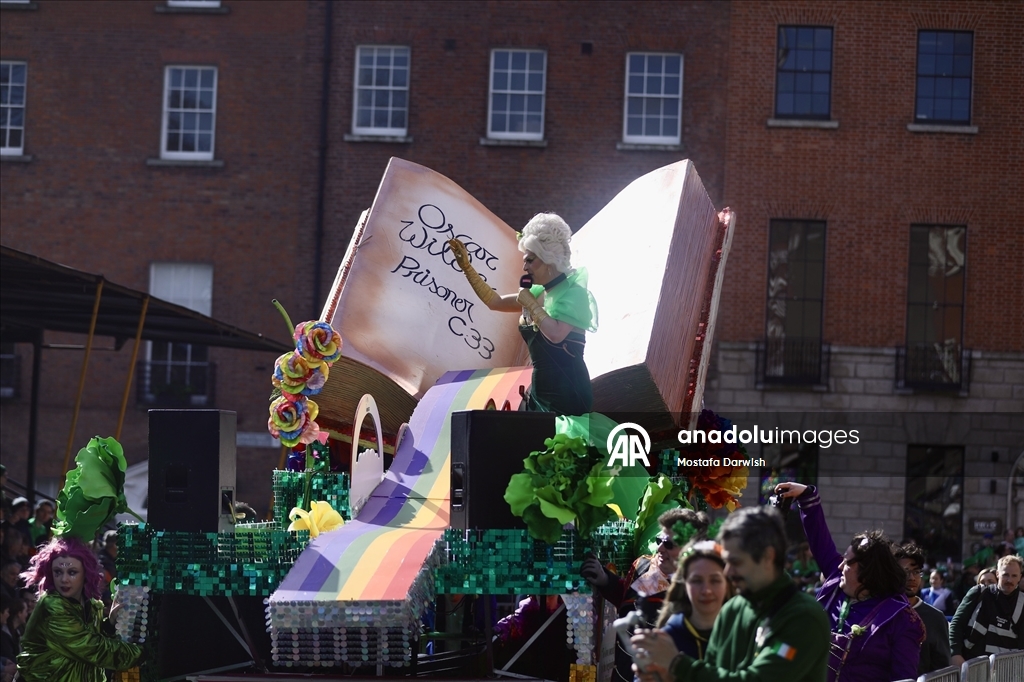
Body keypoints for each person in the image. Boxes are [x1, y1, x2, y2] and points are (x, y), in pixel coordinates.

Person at [629, 505, 829, 681]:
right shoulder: (733, 608)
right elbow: (713, 673)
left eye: (736, 562)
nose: (727, 572)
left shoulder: (803, 618)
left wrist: (677, 664)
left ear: (768, 556)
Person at [449, 213, 598, 416]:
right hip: (539, 391)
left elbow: (556, 334)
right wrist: (467, 268)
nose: (524, 267)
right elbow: (495, 302)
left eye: (530, 260)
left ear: (548, 259)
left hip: (567, 392)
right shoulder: (538, 292)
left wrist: (529, 303)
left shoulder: (574, 293)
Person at [775, 482, 924, 682]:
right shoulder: (836, 584)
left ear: (867, 571)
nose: (839, 566)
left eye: (846, 561)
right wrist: (807, 496)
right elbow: (820, 540)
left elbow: (904, 678)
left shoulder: (903, 619)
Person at [580, 508, 700, 682]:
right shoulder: (643, 565)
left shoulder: (698, 588)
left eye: (669, 544)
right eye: (659, 539)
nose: (659, 548)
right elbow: (627, 599)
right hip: (623, 673)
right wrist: (605, 579)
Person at [16, 535, 143, 680]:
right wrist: (144, 653)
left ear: (85, 573)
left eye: (72, 572)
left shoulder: (91, 603)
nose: (64, 579)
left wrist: (108, 625)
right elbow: (94, 649)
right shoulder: (52, 606)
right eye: (58, 572)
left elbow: (88, 636)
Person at [655, 540, 731, 660]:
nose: (706, 590)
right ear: (684, 584)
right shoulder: (667, 640)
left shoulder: (744, 634)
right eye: (697, 581)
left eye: (715, 580)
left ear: (727, 584)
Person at [949, 553, 1024, 664]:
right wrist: (955, 654)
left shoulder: (1022, 602)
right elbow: (957, 624)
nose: (1009, 580)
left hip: (1006, 669)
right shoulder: (979, 593)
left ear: (1020, 577)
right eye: (1005, 575)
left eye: (1014, 576)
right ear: (997, 574)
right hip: (972, 663)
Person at [894, 542, 950, 674]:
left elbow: (942, 670)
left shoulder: (935, 618)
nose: (912, 578)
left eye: (916, 572)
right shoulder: (882, 612)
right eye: (905, 572)